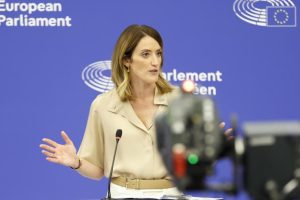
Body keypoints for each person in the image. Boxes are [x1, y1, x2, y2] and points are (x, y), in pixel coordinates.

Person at [40, 24, 233, 199]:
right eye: (146, 54)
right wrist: (76, 162)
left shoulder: (181, 101)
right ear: (126, 60)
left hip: (172, 194)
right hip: (122, 194)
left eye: (158, 53)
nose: (155, 61)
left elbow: (193, 164)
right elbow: (97, 170)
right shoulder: (103, 105)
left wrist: (210, 149)